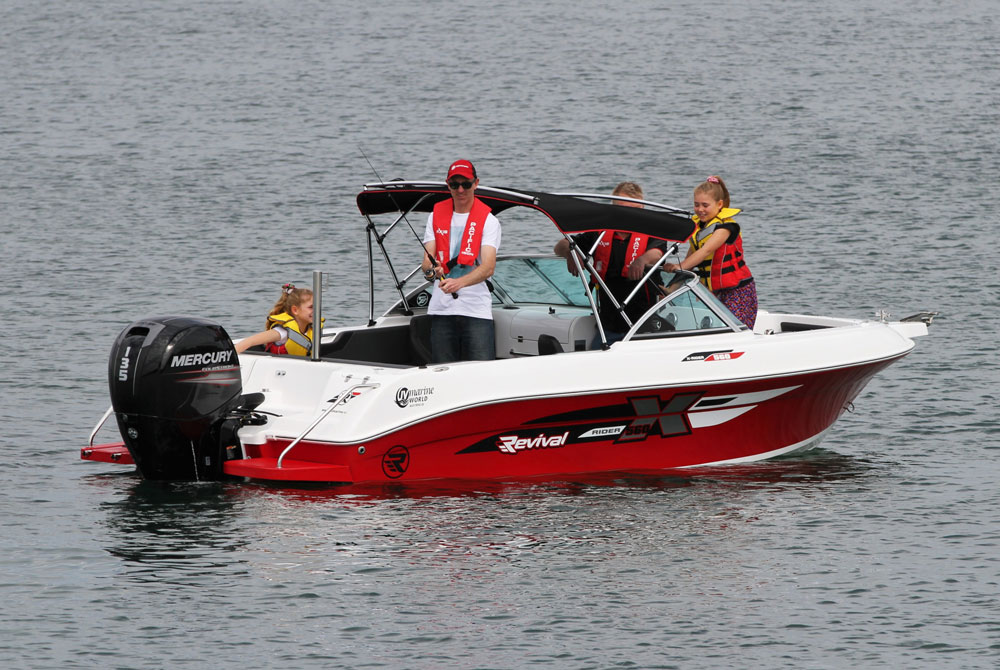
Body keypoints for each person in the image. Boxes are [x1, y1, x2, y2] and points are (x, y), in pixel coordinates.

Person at [554, 181, 667, 346]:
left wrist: (642, 260)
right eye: (623, 209)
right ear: (614, 209)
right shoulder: (600, 233)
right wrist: (571, 252)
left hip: (644, 323)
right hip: (609, 325)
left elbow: (657, 253)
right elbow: (559, 246)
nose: (629, 215)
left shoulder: (652, 232)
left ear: (642, 209)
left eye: (634, 209)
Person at [420, 159, 502, 363]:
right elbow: (427, 263)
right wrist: (432, 271)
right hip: (441, 310)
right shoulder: (434, 216)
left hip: (476, 311)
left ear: (476, 183)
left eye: (466, 184)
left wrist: (459, 283)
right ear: (448, 185)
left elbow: (488, 267)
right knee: (442, 371)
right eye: (454, 185)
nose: (460, 190)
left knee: (481, 372)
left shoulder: (489, 221)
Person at [664, 175, 757, 328]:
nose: (700, 209)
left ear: (719, 204)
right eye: (696, 205)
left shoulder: (726, 228)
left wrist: (679, 266)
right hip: (715, 291)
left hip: (738, 291)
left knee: (733, 329)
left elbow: (706, 251)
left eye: (705, 205)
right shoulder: (699, 230)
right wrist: (671, 287)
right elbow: (691, 260)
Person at [234, 283, 317, 355]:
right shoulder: (282, 332)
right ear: (295, 310)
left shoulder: (312, 330)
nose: (316, 310)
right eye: (311, 307)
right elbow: (249, 342)